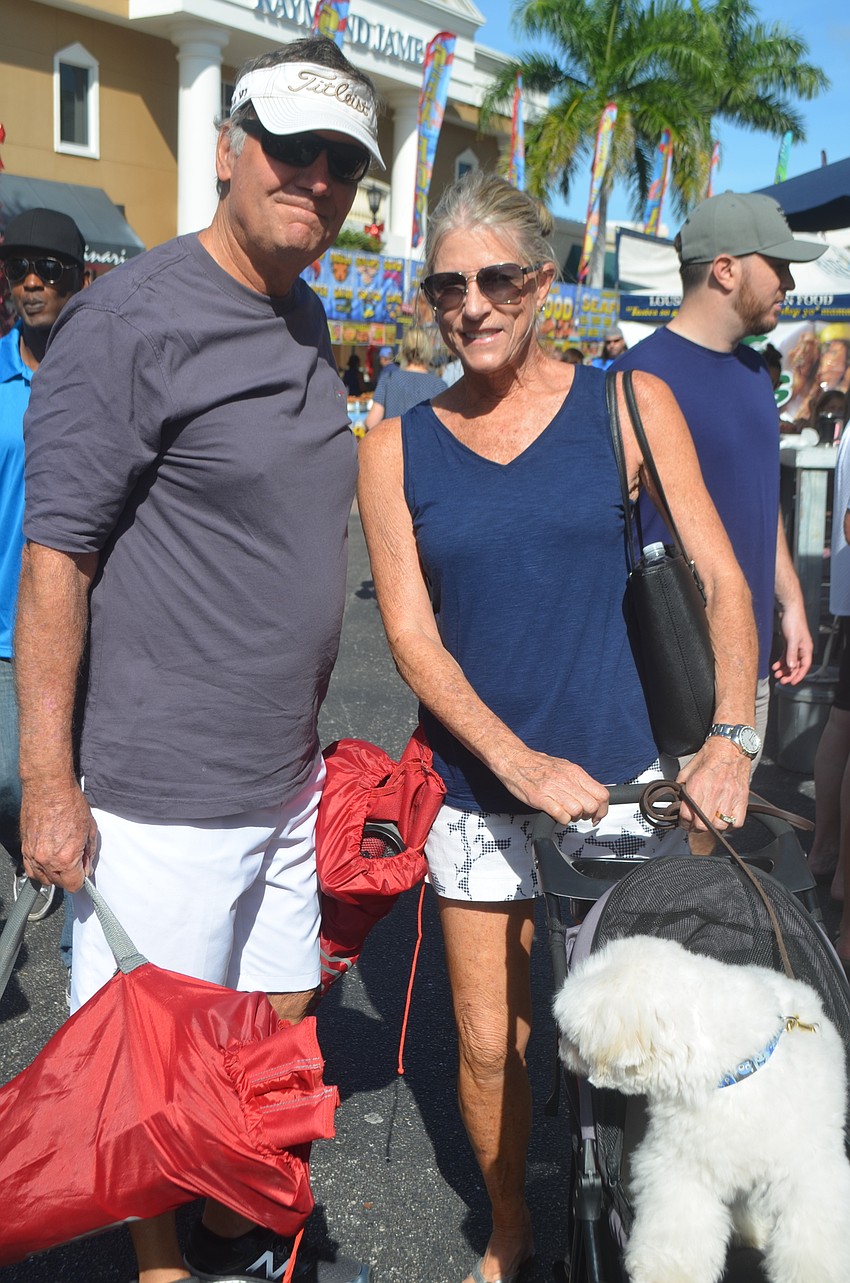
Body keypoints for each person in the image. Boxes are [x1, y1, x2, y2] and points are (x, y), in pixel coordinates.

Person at [15, 36, 382, 1283]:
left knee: (272, 1035)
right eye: (292, 148)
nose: (317, 178)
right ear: (229, 147)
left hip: (282, 777)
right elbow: (55, 557)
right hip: (158, 787)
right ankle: (167, 1265)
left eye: (341, 161)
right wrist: (48, 784)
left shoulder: (306, 311)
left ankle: (233, 1232)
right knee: (152, 1078)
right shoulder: (128, 321)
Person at [358, 171, 758, 1283]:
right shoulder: (393, 447)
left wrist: (728, 737)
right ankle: (512, 1220)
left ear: (545, 279)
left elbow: (720, 577)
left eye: (498, 277)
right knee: (489, 1041)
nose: (472, 304)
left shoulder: (627, 403)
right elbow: (412, 638)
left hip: (619, 775)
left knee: (627, 1033)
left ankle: (646, 1220)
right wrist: (519, 761)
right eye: (447, 285)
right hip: (480, 785)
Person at [616, 191, 823, 766]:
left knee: (720, 828)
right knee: (675, 841)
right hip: (674, 670)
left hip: (747, 665)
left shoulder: (757, 371)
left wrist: (791, 602)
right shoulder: (637, 376)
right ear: (726, 269)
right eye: (777, 265)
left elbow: (760, 500)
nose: (788, 282)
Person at [0, 208, 88, 932]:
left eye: (48, 269)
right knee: (12, 775)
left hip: (91, 626)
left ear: (79, 278)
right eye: (17, 268)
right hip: (3, 632)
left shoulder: (106, 374)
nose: (30, 282)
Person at [363, 325, 446, 428]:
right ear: (428, 349)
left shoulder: (388, 379)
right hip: (425, 443)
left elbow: (372, 422)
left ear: (403, 349)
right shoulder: (439, 385)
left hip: (394, 441)